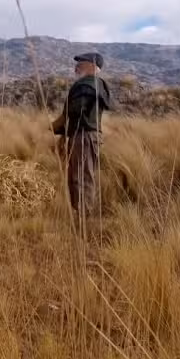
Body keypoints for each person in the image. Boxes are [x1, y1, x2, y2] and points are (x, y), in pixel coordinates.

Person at [51, 52, 111, 229]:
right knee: (77, 177)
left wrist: (51, 127)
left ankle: (84, 223)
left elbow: (73, 112)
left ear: (93, 65)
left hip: (84, 136)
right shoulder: (94, 85)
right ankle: (79, 219)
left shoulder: (88, 84)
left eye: (81, 63)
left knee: (83, 177)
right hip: (82, 135)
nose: (76, 67)